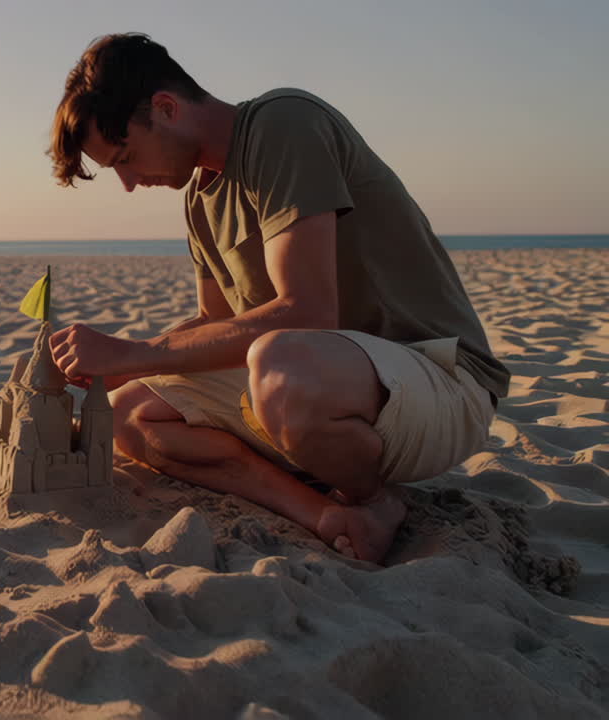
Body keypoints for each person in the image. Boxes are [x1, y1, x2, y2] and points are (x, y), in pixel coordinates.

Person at [45, 33, 510, 563]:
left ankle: (372, 497)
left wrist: (132, 353)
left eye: (125, 157)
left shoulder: (283, 124)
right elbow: (213, 324)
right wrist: (117, 363)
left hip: (439, 379)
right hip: (326, 387)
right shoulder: (199, 197)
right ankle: (327, 514)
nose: (127, 182)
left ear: (166, 107)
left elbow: (309, 312)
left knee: (281, 363)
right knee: (128, 412)